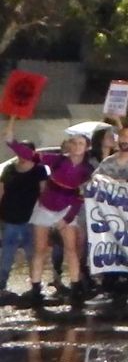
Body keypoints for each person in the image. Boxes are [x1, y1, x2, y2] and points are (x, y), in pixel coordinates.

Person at [4, 118, 93, 305]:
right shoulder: (58, 160)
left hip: (67, 210)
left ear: (87, 147)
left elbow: (80, 197)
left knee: (71, 250)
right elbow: (30, 155)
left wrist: (67, 219)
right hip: (44, 208)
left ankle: (75, 288)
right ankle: (35, 289)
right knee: (39, 250)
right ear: (69, 145)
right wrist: (11, 141)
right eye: (74, 143)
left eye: (81, 143)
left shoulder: (87, 170)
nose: (77, 146)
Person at [0, 141, 46, 300]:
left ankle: (35, 287)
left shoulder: (39, 170)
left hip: (32, 219)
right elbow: (1, 190)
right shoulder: (9, 169)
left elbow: (43, 192)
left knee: (33, 253)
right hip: (10, 217)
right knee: (7, 254)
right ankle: (1, 286)